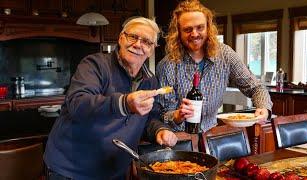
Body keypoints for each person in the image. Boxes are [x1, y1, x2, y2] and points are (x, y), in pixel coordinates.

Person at [44, 17, 178, 180]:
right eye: (133, 37)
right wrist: (124, 103)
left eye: (146, 42)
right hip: (72, 169)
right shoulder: (95, 65)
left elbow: (149, 117)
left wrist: (159, 130)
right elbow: (77, 104)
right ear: (121, 38)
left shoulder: (150, 81)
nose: (138, 44)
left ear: (152, 49)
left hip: (114, 170)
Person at [156, 0, 273, 132]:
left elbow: (256, 87)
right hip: (180, 139)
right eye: (188, 29)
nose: (194, 34)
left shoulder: (225, 55)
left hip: (212, 135)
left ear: (208, 28)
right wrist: (177, 115)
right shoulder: (167, 65)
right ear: (178, 32)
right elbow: (163, 114)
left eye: (200, 27)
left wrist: (264, 108)